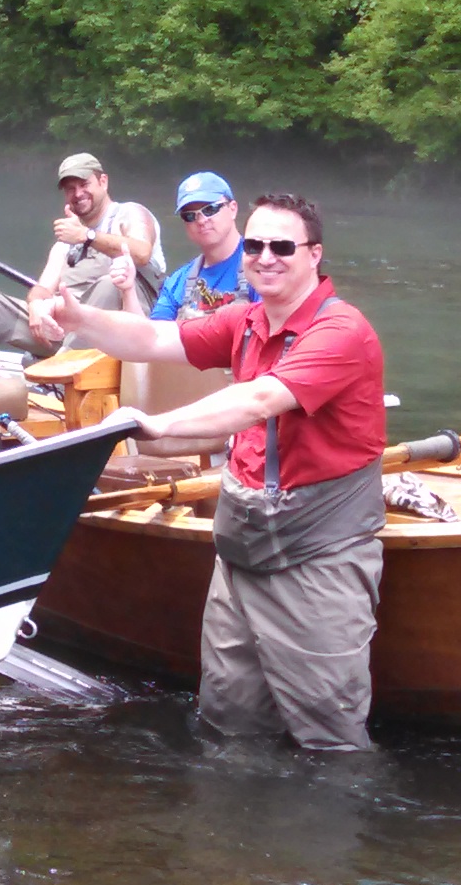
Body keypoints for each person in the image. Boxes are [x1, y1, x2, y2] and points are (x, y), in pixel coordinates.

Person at [45, 192, 389, 750]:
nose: (265, 257)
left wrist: (157, 426)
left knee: (331, 738)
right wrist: (79, 317)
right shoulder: (244, 321)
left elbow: (259, 401)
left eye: (282, 246)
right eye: (254, 245)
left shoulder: (343, 332)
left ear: (314, 255)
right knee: (228, 722)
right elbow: (154, 337)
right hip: (241, 551)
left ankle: (331, 828)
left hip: (319, 556)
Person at [0, 152, 163, 368]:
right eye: (70, 188)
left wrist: (87, 236)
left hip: (116, 331)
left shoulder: (130, 213)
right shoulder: (65, 242)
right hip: (63, 329)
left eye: (84, 184)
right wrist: (36, 306)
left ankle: (59, 374)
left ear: (103, 182)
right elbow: (43, 288)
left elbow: (142, 252)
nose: (78, 193)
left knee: (109, 284)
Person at [148, 171, 248, 322]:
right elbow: (155, 336)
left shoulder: (263, 264)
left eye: (210, 209)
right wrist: (128, 290)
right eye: (190, 215)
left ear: (233, 209)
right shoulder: (177, 282)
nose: (201, 220)